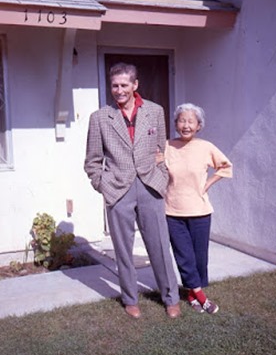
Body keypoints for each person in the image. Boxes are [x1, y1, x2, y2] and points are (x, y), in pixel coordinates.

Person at [84, 62, 181, 319]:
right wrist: (102, 183)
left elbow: (161, 149)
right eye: (114, 85)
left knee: (159, 244)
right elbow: (92, 161)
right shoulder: (100, 118)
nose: (119, 90)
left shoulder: (154, 111)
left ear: (135, 85)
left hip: (150, 185)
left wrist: (160, 177)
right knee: (123, 249)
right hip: (118, 189)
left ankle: (170, 297)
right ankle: (130, 298)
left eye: (124, 85)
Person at [158, 103, 233, 314]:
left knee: (199, 257)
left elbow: (226, 166)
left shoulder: (205, 147)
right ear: (175, 124)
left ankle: (191, 295)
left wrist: (207, 184)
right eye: (182, 120)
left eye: (191, 121)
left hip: (200, 212)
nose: (186, 125)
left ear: (199, 125)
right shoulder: (166, 146)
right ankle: (202, 297)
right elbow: (154, 167)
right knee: (184, 256)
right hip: (173, 211)